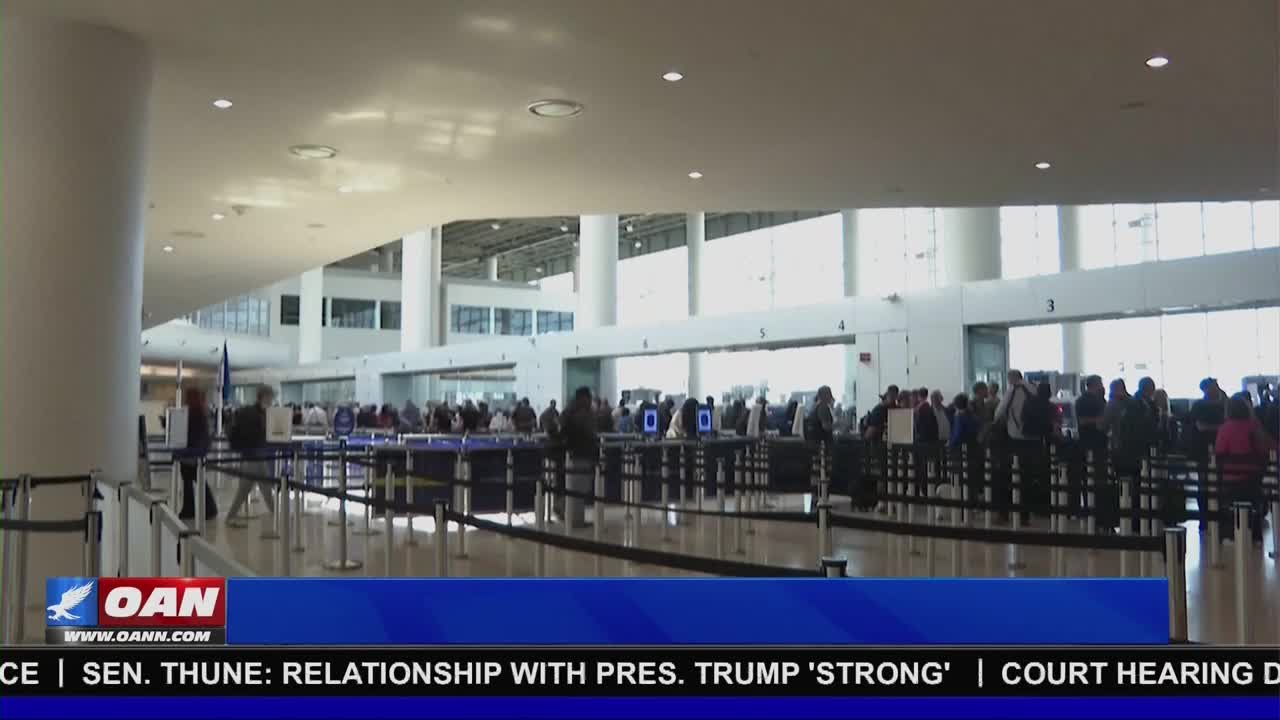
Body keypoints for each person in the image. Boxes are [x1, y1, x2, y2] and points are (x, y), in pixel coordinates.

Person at [1215, 396, 1275, 545]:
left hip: (1231, 477)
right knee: (1254, 502)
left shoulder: (1225, 428)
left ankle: (1230, 535)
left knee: (1229, 503)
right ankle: (1255, 536)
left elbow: (1219, 451)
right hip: (1253, 477)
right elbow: (1269, 447)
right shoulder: (1254, 425)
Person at [226, 385, 277, 521]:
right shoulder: (256, 414)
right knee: (251, 490)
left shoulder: (253, 412)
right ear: (265, 397)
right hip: (254, 456)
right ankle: (277, 516)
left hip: (251, 456)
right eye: (271, 397)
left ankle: (277, 515)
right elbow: (257, 435)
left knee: (258, 490)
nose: (272, 400)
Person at [558, 387, 598, 529]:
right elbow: (588, 432)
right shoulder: (581, 412)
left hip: (574, 453)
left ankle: (569, 512)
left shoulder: (569, 410)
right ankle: (575, 518)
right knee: (579, 488)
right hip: (581, 452)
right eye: (589, 397)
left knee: (577, 487)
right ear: (583, 398)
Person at [178, 389, 217, 520]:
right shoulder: (200, 412)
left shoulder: (192, 413)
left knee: (191, 480)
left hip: (191, 453)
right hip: (195, 453)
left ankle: (201, 509)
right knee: (195, 481)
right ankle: (201, 508)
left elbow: (190, 433)